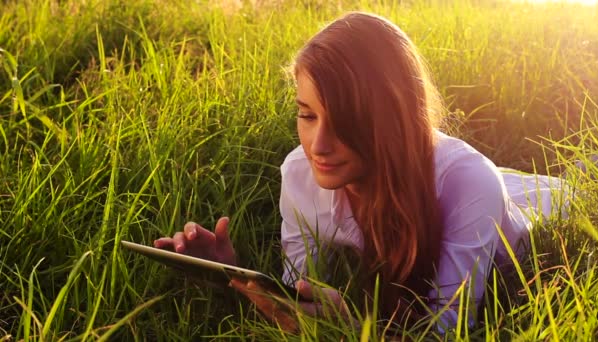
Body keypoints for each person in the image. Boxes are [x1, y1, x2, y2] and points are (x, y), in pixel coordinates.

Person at [153, 12, 573, 333]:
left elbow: (444, 332)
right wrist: (232, 275)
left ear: (393, 117)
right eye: (307, 115)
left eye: (345, 121)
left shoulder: (469, 184)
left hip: (534, 208)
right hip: (479, 181)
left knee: (580, 181)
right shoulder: (300, 173)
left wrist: (351, 329)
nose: (317, 147)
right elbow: (299, 289)